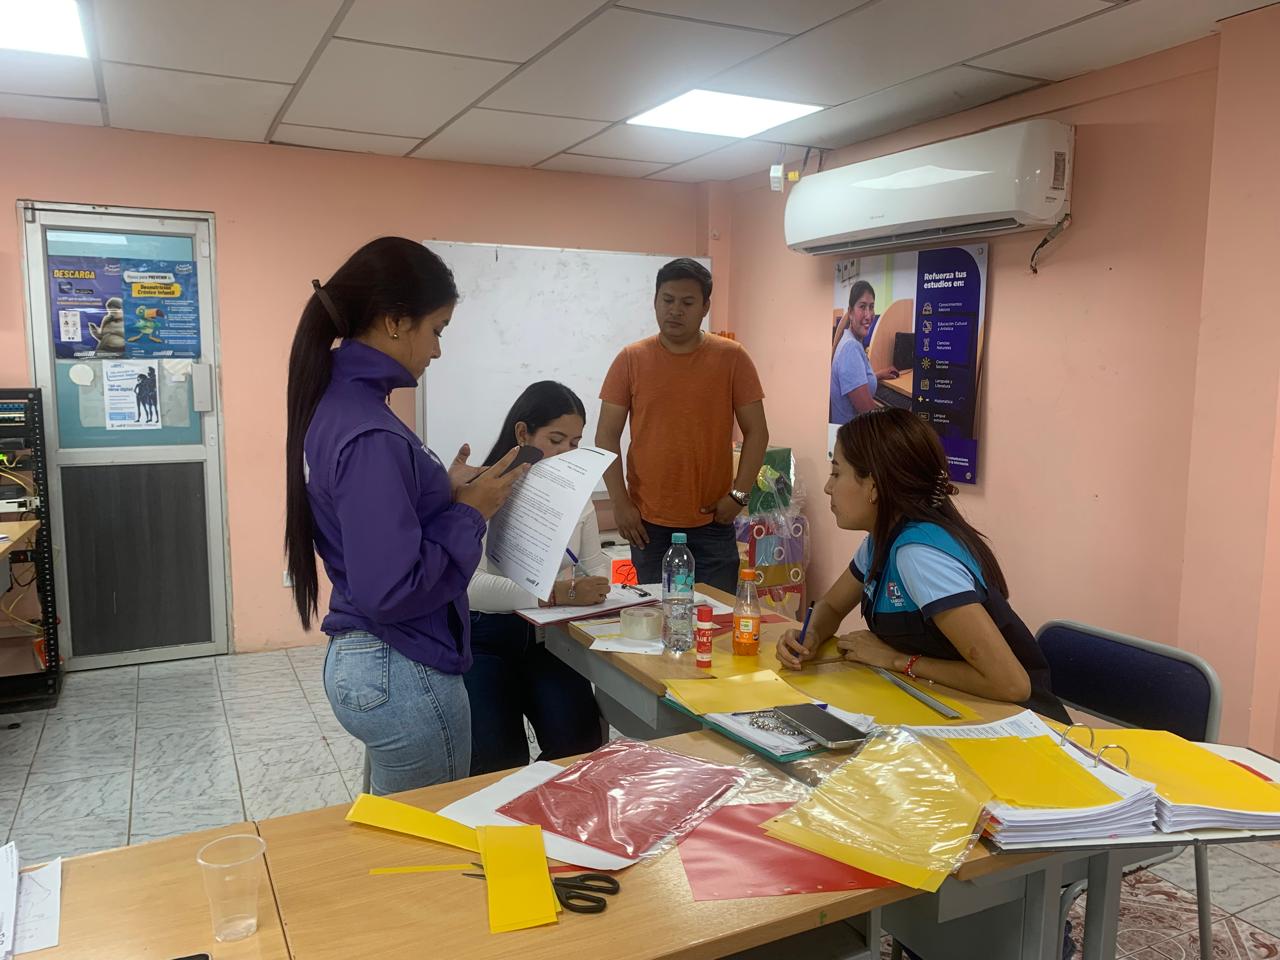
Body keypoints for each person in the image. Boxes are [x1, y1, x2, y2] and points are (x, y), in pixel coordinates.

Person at [284, 236, 526, 795]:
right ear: (395, 322)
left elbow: (371, 518)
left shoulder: (343, 406)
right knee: (422, 840)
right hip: (402, 662)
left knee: (390, 831)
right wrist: (469, 513)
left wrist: (440, 492)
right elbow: (393, 590)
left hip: (376, 659)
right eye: (437, 329)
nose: (437, 350)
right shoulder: (369, 430)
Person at [777, 407, 1069, 723]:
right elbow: (832, 606)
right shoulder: (882, 541)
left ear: (873, 486)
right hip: (954, 709)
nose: (827, 487)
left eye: (836, 473)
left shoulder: (918, 556)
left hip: (1023, 725)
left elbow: (1011, 684)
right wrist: (810, 635)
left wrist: (896, 659)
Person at [596, 258, 768, 594]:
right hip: (647, 524)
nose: (675, 310)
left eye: (687, 303)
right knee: (657, 616)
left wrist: (739, 495)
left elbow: (757, 432)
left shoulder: (732, 358)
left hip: (714, 520)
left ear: (705, 307)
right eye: (667, 300)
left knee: (715, 615)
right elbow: (606, 435)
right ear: (655, 301)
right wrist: (620, 503)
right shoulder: (631, 359)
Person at [465, 381, 611, 775]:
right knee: (497, 763)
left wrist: (597, 587)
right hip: (486, 639)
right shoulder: (483, 489)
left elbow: (596, 566)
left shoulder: (577, 496)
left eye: (575, 443)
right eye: (555, 440)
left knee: (580, 746)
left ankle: (547, 806)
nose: (566, 453)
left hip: (551, 640)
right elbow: (468, 587)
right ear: (523, 434)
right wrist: (556, 593)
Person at [829, 280, 898, 424]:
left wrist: (878, 375)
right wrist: (899, 421)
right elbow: (868, 412)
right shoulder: (850, 349)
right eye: (862, 307)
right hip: (853, 435)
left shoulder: (849, 340)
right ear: (851, 312)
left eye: (871, 307)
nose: (868, 315)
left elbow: (855, 379)